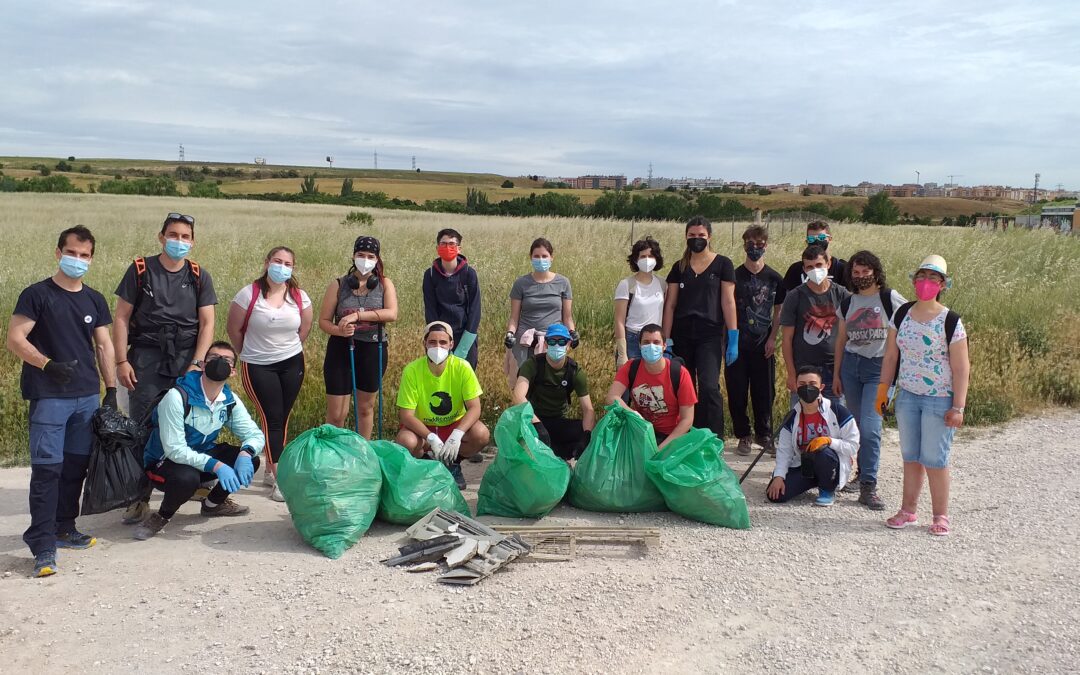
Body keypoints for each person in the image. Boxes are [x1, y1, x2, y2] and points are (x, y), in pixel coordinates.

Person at [6, 226, 117, 577]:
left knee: (74, 469)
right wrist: (47, 365)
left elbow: (104, 345)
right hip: (49, 396)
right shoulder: (37, 295)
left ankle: (64, 527)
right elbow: (15, 338)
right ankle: (41, 546)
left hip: (86, 396)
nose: (78, 261)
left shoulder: (95, 299)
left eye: (85, 256)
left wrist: (111, 389)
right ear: (58, 253)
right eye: (72, 253)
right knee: (47, 472)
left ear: (92, 258)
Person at [113, 212, 218, 524]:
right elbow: (121, 316)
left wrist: (198, 363)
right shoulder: (141, 269)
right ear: (161, 237)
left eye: (185, 237)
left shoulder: (199, 275)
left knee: (191, 425)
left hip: (187, 359)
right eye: (173, 235)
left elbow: (208, 322)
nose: (179, 242)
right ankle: (138, 497)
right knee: (141, 427)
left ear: (193, 241)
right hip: (146, 357)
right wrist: (121, 360)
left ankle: (192, 487)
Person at [133, 342, 266, 540]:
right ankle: (162, 516)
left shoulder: (229, 400)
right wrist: (217, 465)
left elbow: (255, 434)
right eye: (214, 359)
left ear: (233, 372)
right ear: (202, 365)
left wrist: (246, 453)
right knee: (187, 478)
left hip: (201, 454)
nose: (220, 363)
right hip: (163, 462)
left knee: (252, 459)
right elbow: (175, 450)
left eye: (227, 360)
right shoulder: (177, 396)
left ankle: (213, 505)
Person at [878, 255, 969, 536]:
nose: (925, 283)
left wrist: (958, 407)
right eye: (921, 277)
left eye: (933, 278)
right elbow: (891, 355)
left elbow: (961, 366)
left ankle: (941, 516)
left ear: (943, 284)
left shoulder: (950, 320)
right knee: (911, 456)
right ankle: (908, 510)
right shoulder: (901, 314)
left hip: (938, 398)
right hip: (908, 395)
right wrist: (884, 390)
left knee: (935, 459)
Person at [226, 247, 313, 502]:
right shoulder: (248, 294)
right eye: (277, 261)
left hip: (292, 363)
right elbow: (234, 329)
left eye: (288, 263)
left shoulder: (299, 296)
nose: (282, 267)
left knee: (283, 417)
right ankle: (279, 477)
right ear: (266, 263)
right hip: (258, 365)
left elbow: (304, 328)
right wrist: (248, 353)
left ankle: (270, 469)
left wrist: (288, 350)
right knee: (271, 419)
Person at [832, 250, 906, 510]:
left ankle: (868, 486)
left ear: (876, 272)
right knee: (857, 426)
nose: (861, 276)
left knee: (872, 428)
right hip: (852, 368)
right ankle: (862, 474)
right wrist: (837, 375)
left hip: (879, 369)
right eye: (856, 272)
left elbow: (909, 323)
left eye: (866, 271)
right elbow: (840, 340)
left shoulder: (889, 298)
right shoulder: (848, 303)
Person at [662, 216, 738, 439]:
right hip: (682, 334)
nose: (696, 240)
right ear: (686, 237)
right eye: (692, 236)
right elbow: (671, 305)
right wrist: (666, 339)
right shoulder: (679, 267)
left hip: (710, 335)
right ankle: (687, 434)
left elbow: (728, 301)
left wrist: (733, 337)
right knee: (685, 389)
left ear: (709, 237)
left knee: (709, 386)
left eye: (701, 236)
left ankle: (713, 437)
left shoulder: (723, 264)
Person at [319, 235, 398, 437]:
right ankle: (334, 453)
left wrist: (358, 315)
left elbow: (392, 313)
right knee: (337, 413)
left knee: (365, 408)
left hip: (373, 347)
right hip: (341, 348)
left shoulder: (384, 284)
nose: (365, 259)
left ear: (377, 259)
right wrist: (340, 330)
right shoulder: (338, 284)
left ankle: (363, 453)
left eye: (370, 255)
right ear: (353, 256)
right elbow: (324, 321)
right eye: (360, 254)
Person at [395, 322, 491, 489]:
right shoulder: (412, 370)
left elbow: (475, 407)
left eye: (443, 342)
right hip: (423, 428)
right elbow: (407, 415)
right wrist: (430, 438)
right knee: (406, 441)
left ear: (451, 344)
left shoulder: (462, 367)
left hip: (453, 425)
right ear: (424, 343)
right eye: (432, 342)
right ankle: (426, 463)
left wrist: (457, 433)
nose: (437, 347)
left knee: (481, 434)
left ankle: (453, 462)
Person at [726, 225, 786, 456]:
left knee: (765, 391)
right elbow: (726, 306)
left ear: (766, 246)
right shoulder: (734, 275)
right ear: (744, 246)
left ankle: (765, 434)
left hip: (763, 344)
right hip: (737, 344)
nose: (754, 248)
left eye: (759, 244)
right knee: (737, 390)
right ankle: (744, 435)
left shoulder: (774, 278)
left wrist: (773, 338)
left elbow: (779, 310)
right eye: (750, 244)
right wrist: (728, 340)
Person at [766, 366, 859, 507]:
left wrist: (829, 441)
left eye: (812, 384)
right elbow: (784, 451)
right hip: (804, 465)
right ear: (796, 387)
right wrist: (778, 476)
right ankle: (813, 481)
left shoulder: (838, 412)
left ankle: (827, 489)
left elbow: (853, 446)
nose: (807, 388)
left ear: (821, 387)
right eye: (802, 384)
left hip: (830, 462)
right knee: (775, 495)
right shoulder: (791, 417)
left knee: (822, 451)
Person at [780, 244, 850, 408]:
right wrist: (791, 374)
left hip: (834, 370)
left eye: (819, 265)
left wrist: (840, 374)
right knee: (802, 419)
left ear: (828, 264)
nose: (815, 270)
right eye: (809, 267)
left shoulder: (842, 295)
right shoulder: (795, 296)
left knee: (836, 419)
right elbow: (787, 339)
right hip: (804, 371)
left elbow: (848, 336)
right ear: (804, 269)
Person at [512, 323, 595, 460]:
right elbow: (518, 396)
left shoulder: (575, 371)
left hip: (558, 421)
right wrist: (537, 424)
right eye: (552, 341)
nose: (557, 345)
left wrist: (586, 435)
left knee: (585, 433)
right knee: (521, 436)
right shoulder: (532, 365)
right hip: (533, 420)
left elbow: (588, 410)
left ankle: (558, 456)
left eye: (561, 341)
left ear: (568, 345)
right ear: (545, 344)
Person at [606, 324, 698, 449]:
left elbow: (687, 420)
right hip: (641, 431)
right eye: (646, 342)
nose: (651, 346)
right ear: (639, 346)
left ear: (664, 346)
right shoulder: (631, 368)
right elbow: (612, 398)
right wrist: (632, 413)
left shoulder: (679, 373)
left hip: (671, 436)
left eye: (656, 342)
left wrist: (661, 449)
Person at [504, 238, 576, 391]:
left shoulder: (563, 283)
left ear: (551, 258)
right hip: (525, 340)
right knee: (521, 382)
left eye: (544, 256)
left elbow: (567, 317)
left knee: (548, 382)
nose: (540, 259)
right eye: (536, 256)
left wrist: (572, 333)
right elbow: (514, 317)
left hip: (552, 339)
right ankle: (522, 413)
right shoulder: (521, 283)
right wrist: (510, 334)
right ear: (530, 257)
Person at [423, 228, 481, 369]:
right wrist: (437, 339)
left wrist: (464, 347)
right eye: (443, 244)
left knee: (465, 379)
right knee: (439, 377)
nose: (447, 247)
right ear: (437, 248)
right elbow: (430, 309)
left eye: (451, 244)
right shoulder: (430, 275)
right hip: (439, 335)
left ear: (459, 249)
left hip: (465, 334)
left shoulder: (469, 273)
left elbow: (475, 310)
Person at [614, 237, 666, 368]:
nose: (647, 260)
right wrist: (622, 353)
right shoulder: (626, 285)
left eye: (651, 256)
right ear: (636, 260)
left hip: (655, 340)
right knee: (632, 383)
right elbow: (619, 320)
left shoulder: (663, 283)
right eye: (643, 256)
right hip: (633, 339)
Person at [782, 220, 848, 292]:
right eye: (811, 239)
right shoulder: (795, 269)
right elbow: (788, 298)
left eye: (822, 237)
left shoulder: (841, 269)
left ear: (830, 239)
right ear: (807, 241)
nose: (817, 241)